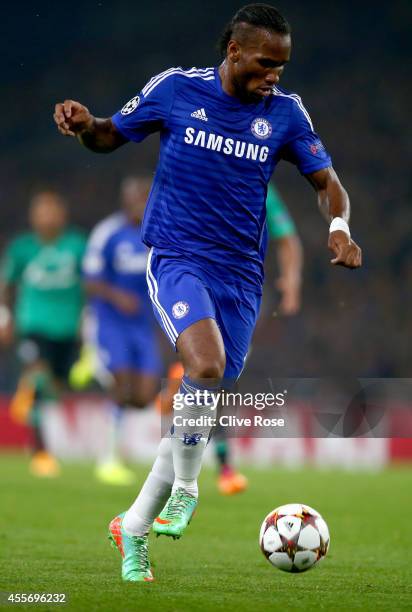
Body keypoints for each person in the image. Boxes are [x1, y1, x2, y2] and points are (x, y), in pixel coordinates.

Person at [54, 3, 361, 582]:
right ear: (235, 52)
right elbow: (108, 137)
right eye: (267, 64)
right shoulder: (175, 90)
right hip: (176, 258)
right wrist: (84, 124)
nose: (275, 75)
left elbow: (329, 184)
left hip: (241, 277)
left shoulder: (286, 115)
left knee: (199, 400)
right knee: (207, 366)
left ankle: (134, 528)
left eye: (283, 66)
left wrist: (338, 228)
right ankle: (190, 488)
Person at [72, 175, 162, 485]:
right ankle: (108, 459)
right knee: (121, 386)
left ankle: (92, 363)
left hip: (142, 324)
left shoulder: (160, 233)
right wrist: (116, 295)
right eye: (135, 195)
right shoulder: (107, 232)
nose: (140, 200)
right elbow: (90, 280)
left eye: (145, 195)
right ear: (125, 199)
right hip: (110, 321)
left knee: (145, 395)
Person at [0, 191, 86, 476]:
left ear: (62, 214)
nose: (46, 216)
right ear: (32, 216)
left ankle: (27, 396)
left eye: (52, 210)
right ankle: (41, 453)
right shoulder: (22, 248)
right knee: (38, 379)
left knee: (56, 387)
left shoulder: (77, 245)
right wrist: (5, 318)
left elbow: (90, 285)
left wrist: (89, 320)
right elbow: (6, 284)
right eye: (41, 210)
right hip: (33, 325)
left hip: (67, 328)